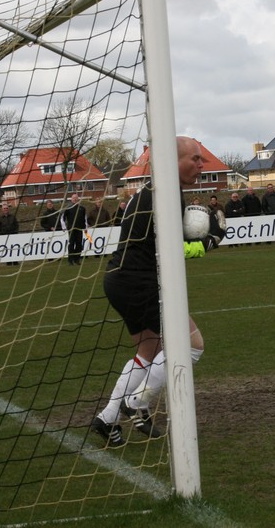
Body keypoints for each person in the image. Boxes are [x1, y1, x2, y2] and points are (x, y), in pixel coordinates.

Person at [91, 136, 207, 447]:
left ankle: (107, 418)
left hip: (119, 279)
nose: (201, 164)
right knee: (192, 345)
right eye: (195, 158)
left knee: (149, 349)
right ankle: (137, 403)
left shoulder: (151, 190)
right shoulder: (166, 194)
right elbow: (173, 248)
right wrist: (207, 242)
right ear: (173, 160)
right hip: (137, 282)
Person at [60, 194, 88, 265]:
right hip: (71, 229)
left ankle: (77, 259)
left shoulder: (82, 208)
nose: (75, 199)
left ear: (78, 199)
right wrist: (64, 227)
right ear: (71, 199)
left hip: (79, 229)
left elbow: (85, 218)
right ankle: (70, 260)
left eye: (76, 198)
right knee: (71, 244)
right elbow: (62, 218)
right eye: (73, 198)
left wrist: (86, 227)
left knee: (79, 244)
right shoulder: (68, 208)